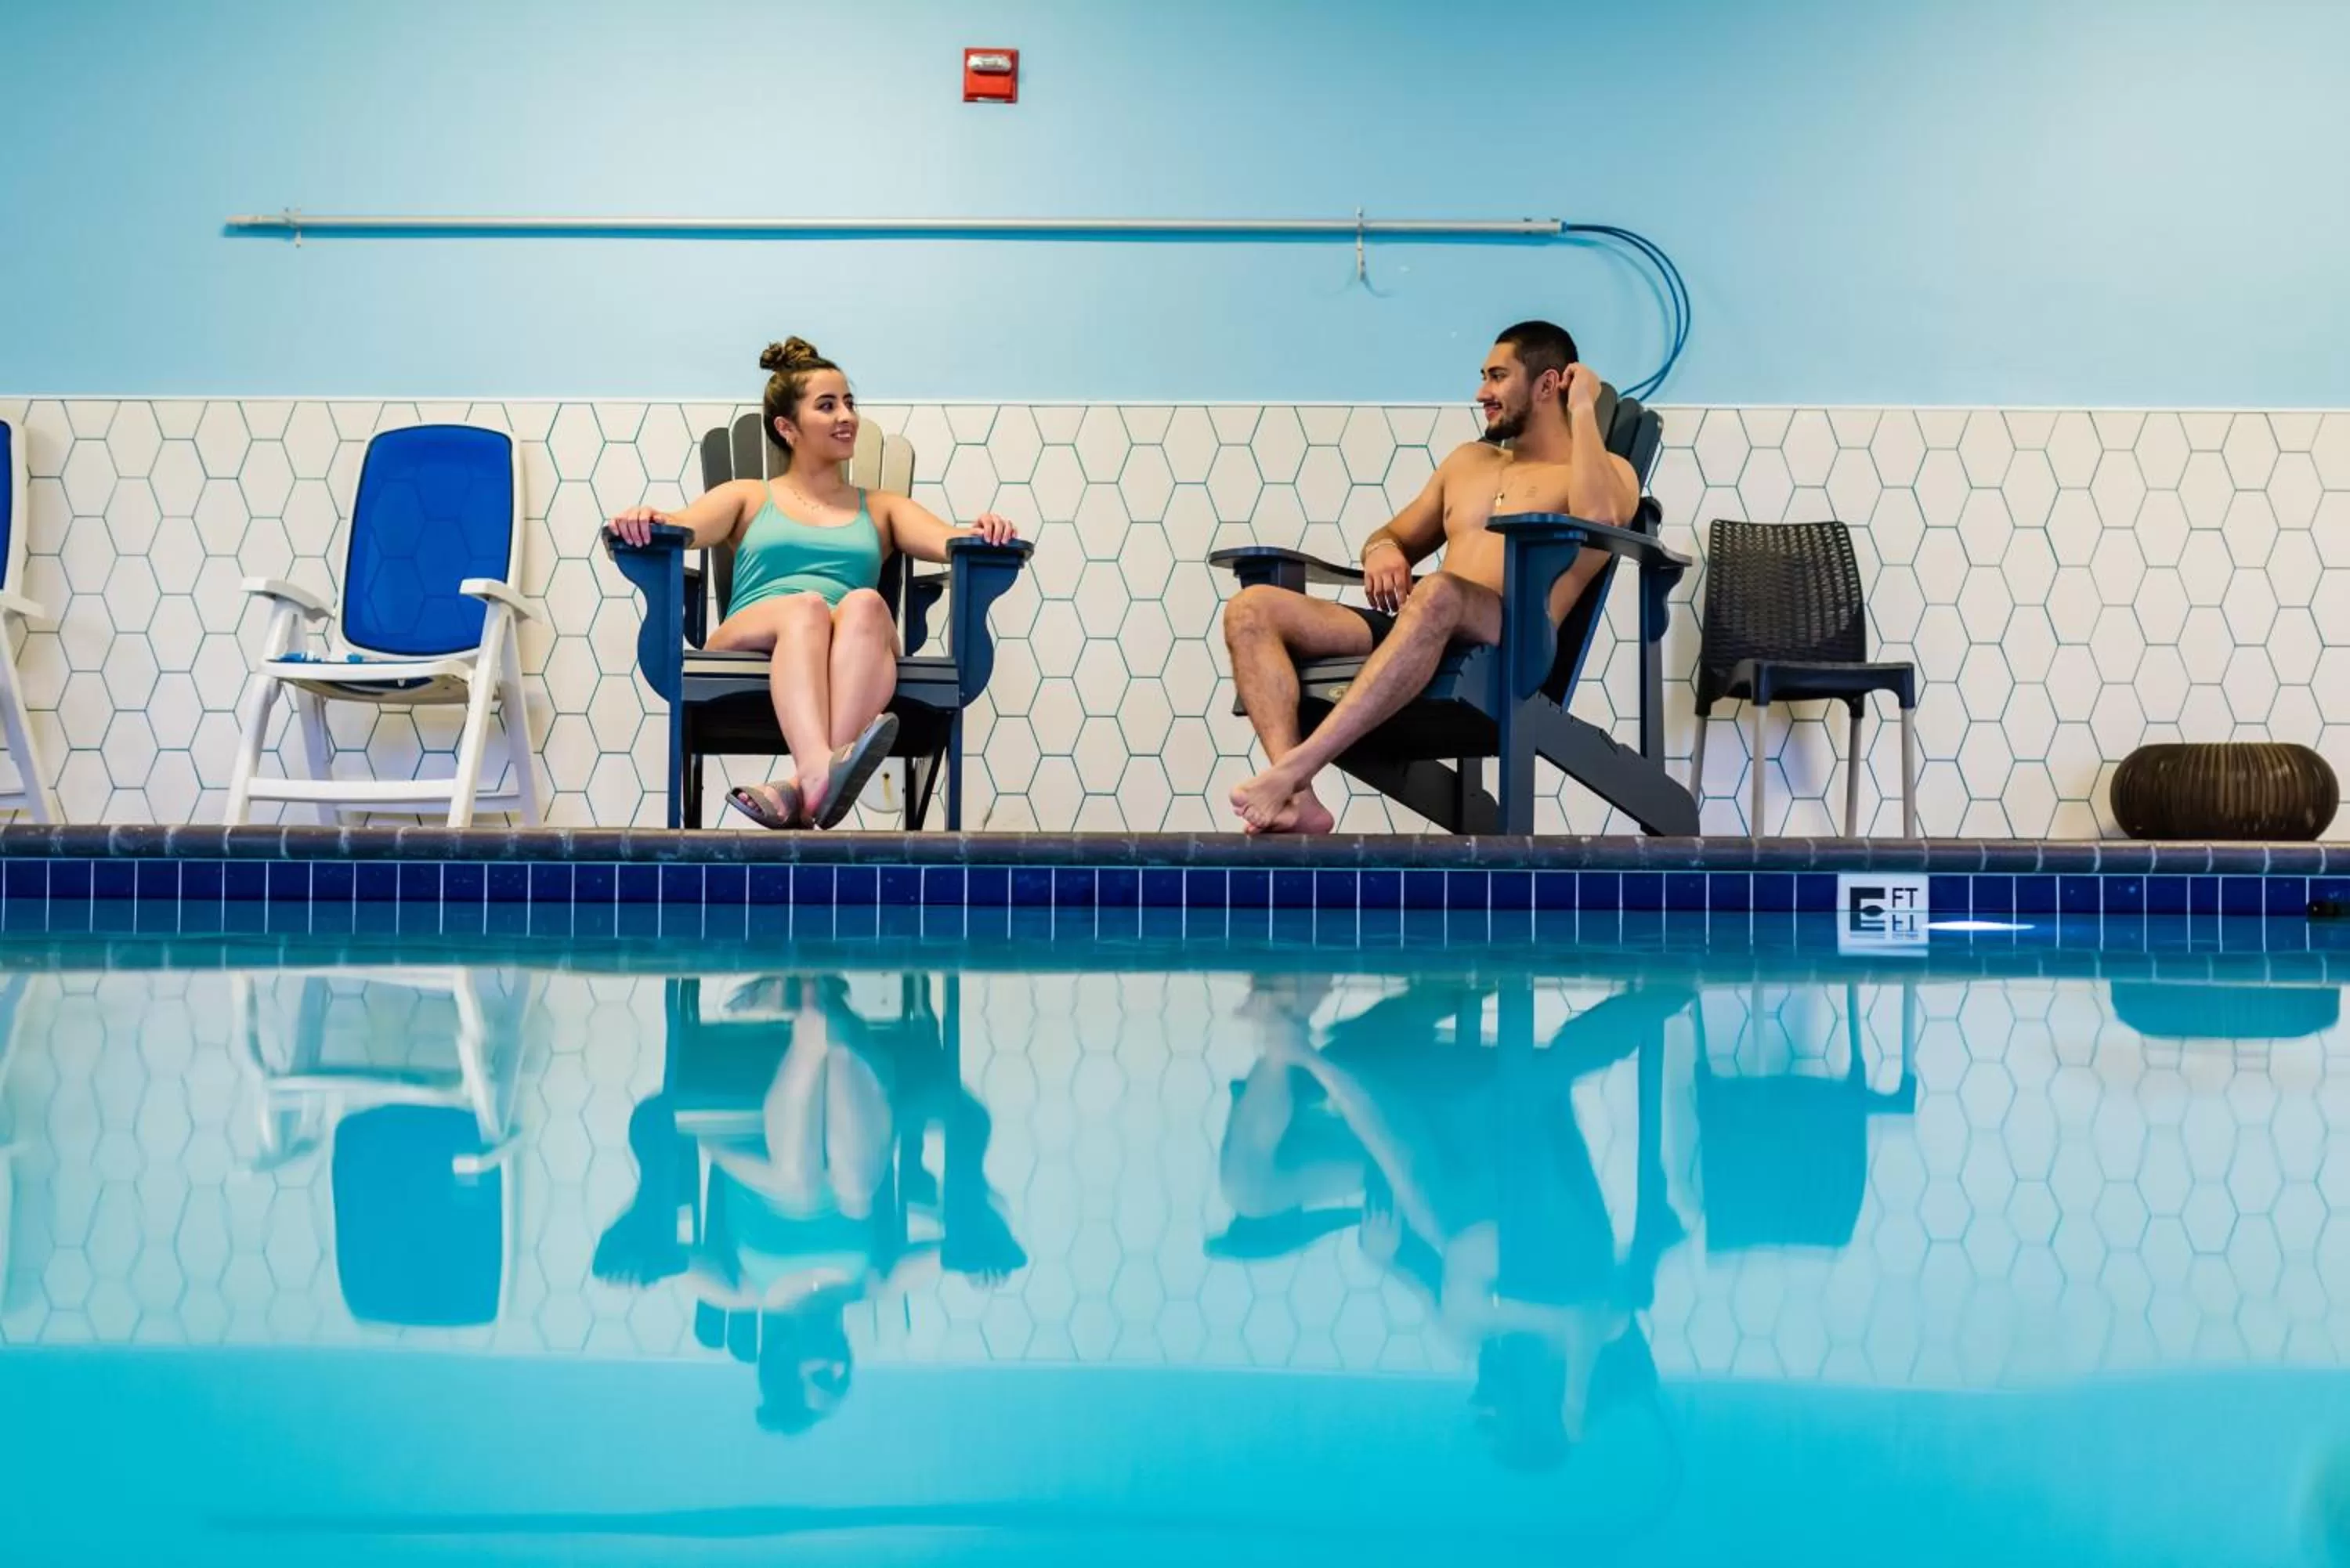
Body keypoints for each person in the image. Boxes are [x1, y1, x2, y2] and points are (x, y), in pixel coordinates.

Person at [1220, 321, 1643, 833]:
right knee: (1252, 609)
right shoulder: (1467, 463)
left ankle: (1291, 770)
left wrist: (1582, 408)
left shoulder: (1610, 470)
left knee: (1438, 591)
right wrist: (1381, 550)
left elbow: (1598, 520)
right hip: (1422, 630)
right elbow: (1394, 533)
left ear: (1549, 384)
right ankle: (1299, 801)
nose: (1481, 392)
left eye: (1497, 376)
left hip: (1512, 641)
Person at [605, 338, 1019, 829]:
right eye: (827, 406)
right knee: (806, 607)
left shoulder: (882, 507)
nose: (846, 416)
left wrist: (987, 528)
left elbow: (951, 538)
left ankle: (808, 784)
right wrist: (647, 517)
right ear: (787, 428)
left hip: (852, 646)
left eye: (849, 403)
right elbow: (684, 525)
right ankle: (821, 777)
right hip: (753, 635)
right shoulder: (748, 496)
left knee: (865, 602)